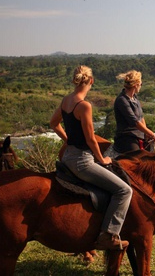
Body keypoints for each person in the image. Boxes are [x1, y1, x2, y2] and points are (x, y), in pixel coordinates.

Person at [50, 65, 132, 251]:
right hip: (82, 161)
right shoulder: (84, 105)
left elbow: (53, 123)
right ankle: (108, 235)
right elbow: (91, 139)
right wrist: (102, 160)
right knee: (124, 191)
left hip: (68, 157)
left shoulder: (66, 100)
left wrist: (68, 140)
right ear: (91, 81)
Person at [112, 70, 155, 155]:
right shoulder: (122, 100)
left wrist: (147, 134)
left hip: (139, 135)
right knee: (137, 158)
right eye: (140, 84)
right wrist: (153, 134)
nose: (141, 86)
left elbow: (141, 118)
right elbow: (135, 122)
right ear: (136, 85)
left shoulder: (135, 99)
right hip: (127, 136)